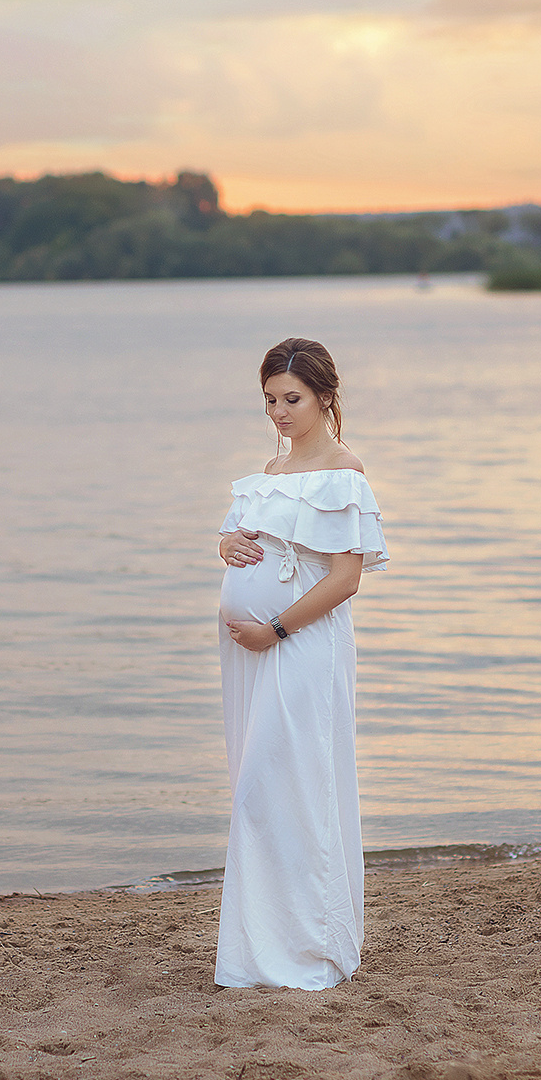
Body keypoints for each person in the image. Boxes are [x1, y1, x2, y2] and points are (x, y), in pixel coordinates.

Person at [214, 337, 388, 990]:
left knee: (286, 785)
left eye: (291, 398)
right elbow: (240, 540)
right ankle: (259, 951)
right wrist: (224, 541)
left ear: (324, 397)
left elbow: (345, 578)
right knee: (257, 793)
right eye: (269, 400)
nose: (279, 412)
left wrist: (276, 629)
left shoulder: (345, 471)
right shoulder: (269, 468)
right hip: (252, 654)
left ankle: (311, 949)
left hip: (301, 649)